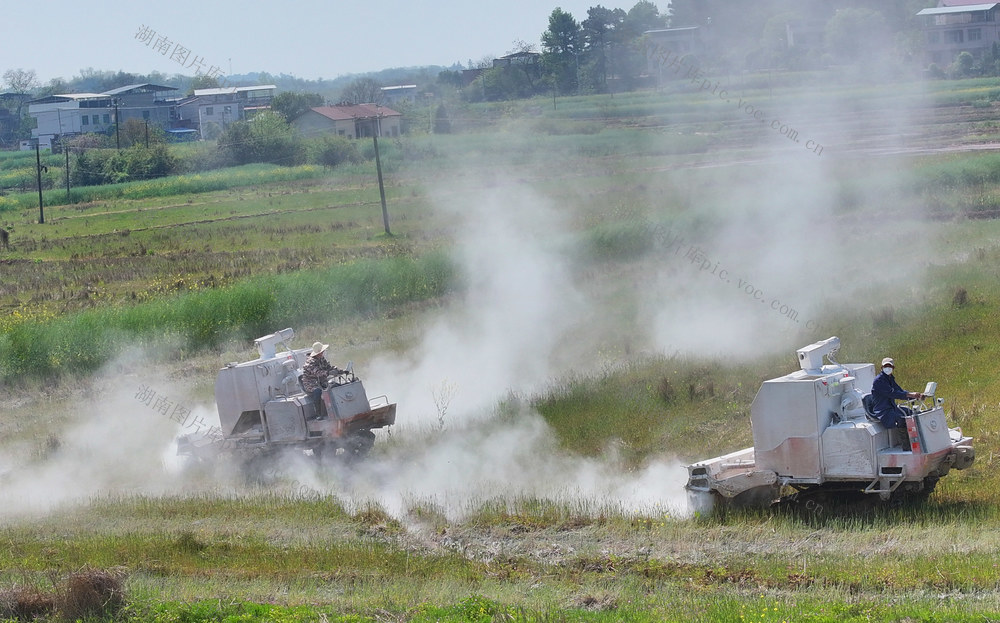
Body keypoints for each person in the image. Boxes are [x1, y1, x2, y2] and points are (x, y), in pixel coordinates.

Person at [871, 357, 923, 429]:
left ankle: (919, 432)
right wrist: (910, 395)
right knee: (902, 419)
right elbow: (892, 393)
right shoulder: (879, 381)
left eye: (889, 366)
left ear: (893, 368)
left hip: (892, 408)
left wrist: (915, 396)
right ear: (881, 368)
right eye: (885, 366)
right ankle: (904, 435)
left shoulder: (890, 378)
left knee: (911, 412)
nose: (887, 368)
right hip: (883, 411)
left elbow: (899, 390)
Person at [300, 341, 346, 418]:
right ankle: (318, 414)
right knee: (317, 391)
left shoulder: (321, 359)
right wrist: (328, 372)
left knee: (335, 385)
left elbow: (328, 367)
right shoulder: (310, 362)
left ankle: (340, 408)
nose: (322, 353)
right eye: (321, 352)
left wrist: (339, 370)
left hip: (321, 382)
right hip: (311, 384)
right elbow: (317, 372)